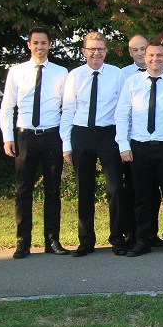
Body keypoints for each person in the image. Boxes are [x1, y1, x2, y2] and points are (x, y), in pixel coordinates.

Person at [115, 42, 163, 257]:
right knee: (142, 197)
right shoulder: (132, 82)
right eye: (150, 55)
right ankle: (143, 239)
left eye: (159, 55)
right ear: (145, 58)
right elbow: (122, 115)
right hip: (139, 147)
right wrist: (123, 145)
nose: (154, 59)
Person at [0, 27, 69, 259]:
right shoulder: (16, 72)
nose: (40, 46)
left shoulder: (61, 73)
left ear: (50, 45)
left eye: (44, 43)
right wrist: (8, 137)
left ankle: (52, 240)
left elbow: (68, 108)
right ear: (29, 45)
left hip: (51, 136)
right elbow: (7, 107)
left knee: (53, 190)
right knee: (23, 190)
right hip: (25, 137)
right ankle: (23, 242)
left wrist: (65, 139)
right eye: (35, 43)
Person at [60, 31, 125, 257]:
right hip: (82, 134)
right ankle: (86, 240)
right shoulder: (75, 75)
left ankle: (117, 238)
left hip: (109, 134)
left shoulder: (116, 74)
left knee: (115, 188)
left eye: (100, 49)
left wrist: (123, 140)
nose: (96, 53)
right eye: (92, 49)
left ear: (106, 51)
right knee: (84, 188)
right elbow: (68, 110)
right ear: (84, 51)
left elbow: (123, 108)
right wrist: (66, 144)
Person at [119, 34, 161, 249]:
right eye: (135, 49)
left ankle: (151, 233)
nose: (139, 53)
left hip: (158, 143)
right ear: (130, 52)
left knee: (154, 191)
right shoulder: (124, 75)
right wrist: (124, 144)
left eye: (142, 49)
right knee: (133, 191)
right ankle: (132, 233)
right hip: (133, 144)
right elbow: (122, 112)